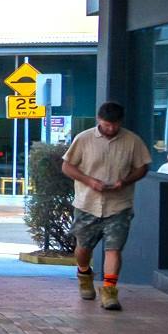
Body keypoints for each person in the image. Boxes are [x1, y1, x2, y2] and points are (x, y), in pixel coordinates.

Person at [62, 101, 151, 311]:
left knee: (114, 248)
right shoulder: (84, 139)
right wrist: (89, 181)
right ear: (99, 120)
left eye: (115, 124)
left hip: (119, 205)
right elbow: (67, 166)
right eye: (107, 124)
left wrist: (125, 181)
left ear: (121, 122)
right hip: (87, 203)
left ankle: (109, 291)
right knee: (83, 248)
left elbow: (142, 167)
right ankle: (84, 273)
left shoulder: (132, 141)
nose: (111, 128)